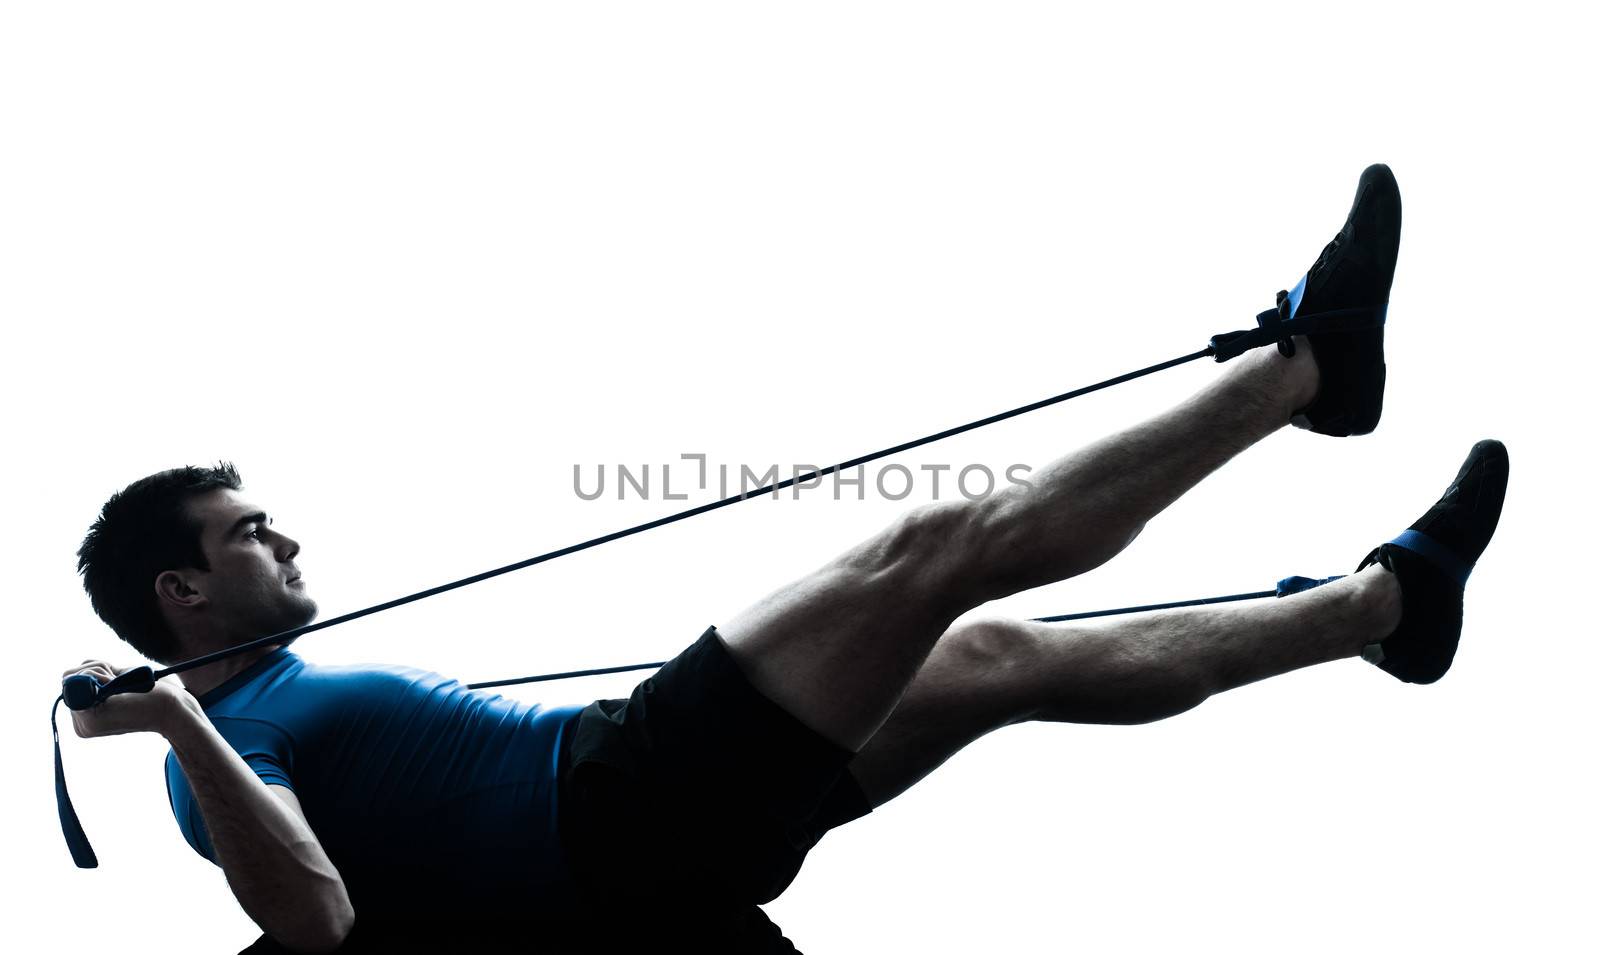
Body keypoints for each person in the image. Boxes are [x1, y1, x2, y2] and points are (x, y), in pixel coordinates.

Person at [64, 165, 1509, 953]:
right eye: (247, 532)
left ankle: (1383, 609)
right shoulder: (219, 753)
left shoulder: (289, 694)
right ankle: (1306, 374)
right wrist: (178, 716)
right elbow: (313, 922)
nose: (286, 535)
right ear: (180, 592)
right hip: (625, 802)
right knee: (934, 554)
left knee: (993, 660)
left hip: (665, 827)